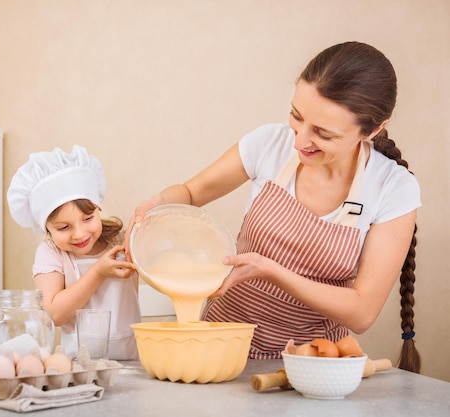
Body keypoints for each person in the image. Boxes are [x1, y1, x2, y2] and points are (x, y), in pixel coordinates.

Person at [127, 41, 421, 372]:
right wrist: (157, 204)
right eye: (296, 117)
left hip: (312, 364)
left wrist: (273, 272)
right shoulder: (269, 144)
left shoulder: (393, 189)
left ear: (373, 129)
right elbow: (191, 193)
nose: (298, 142)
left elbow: (361, 312)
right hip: (223, 350)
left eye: (322, 133)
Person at [8, 145, 141, 360]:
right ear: (46, 228)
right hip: (78, 366)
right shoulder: (51, 253)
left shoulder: (123, 241)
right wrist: (98, 272)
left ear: (98, 208)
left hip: (133, 364)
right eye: (63, 227)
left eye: (87, 219)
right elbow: (54, 314)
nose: (79, 234)